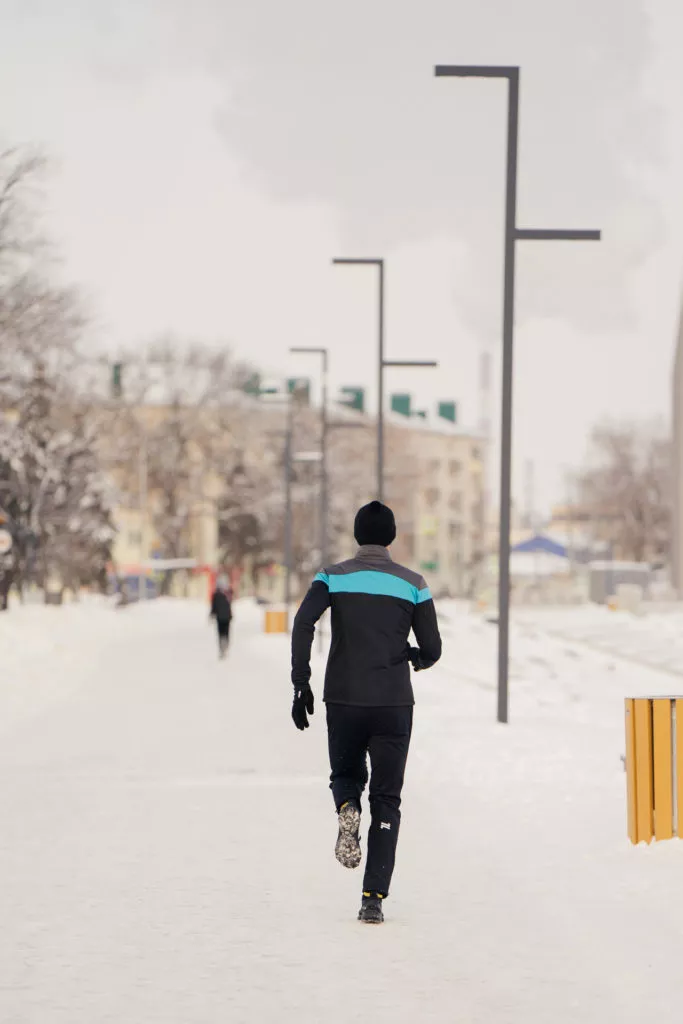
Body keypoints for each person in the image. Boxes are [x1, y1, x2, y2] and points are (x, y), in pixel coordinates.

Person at [290, 500, 442, 924]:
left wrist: (300, 682)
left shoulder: (332, 577)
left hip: (343, 699)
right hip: (393, 703)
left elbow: (304, 623)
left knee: (345, 776)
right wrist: (412, 656)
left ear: (358, 535)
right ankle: (372, 898)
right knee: (388, 800)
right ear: (391, 537)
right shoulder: (413, 583)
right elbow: (433, 649)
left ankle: (346, 808)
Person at [210, 575, 233, 659]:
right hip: (225, 617)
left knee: (221, 633)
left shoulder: (218, 593)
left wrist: (212, 614)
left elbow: (214, 606)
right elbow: (214, 606)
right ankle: (224, 645)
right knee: (225, 632)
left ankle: (223, 646)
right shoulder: (228, 592)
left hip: (221, 617)